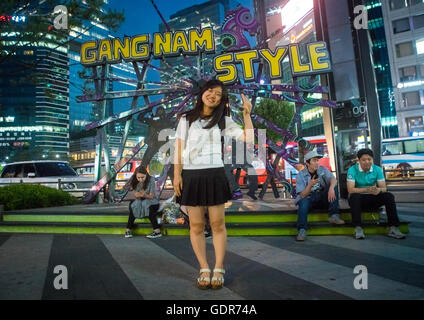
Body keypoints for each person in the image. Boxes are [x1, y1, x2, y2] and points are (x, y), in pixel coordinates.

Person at [174, 79, 253, 290]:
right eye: (210, 91)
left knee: (217, 225)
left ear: (221, 100)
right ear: (202, 93)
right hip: (191, 175)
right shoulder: (186, 119)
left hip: (214, 174)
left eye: (218, 94)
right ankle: (203, 267)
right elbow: (178, 148)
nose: (213, 96)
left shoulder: (223, 121)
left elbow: (248, 138)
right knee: (196, 225)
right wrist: (177, 176)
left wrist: (247, 115)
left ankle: (218, 267)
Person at [347, 148, 405, 240]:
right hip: (359, 200)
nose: (367, 162)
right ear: (358, 161)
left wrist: (379, 190)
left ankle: (393, 227)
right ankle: (358, 228)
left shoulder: (377, 169)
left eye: (369, 159)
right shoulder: (352, 170)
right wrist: (366, 189)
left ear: (372, 160)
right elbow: (350, 189)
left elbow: (384, 188)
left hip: (372, 198)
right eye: (364, 160)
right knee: (354, 196)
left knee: (389, 196)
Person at [295, 149, 344, 241]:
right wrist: (310, 185)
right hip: (309, 199)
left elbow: (333, 179)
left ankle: (333, 215)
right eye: (314, 160)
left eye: (317, 160)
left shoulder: (322, 169)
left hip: (322, 198)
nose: (317, 163)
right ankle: (302, 230)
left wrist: (331, 188)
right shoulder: (300, 175)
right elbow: (302, 195)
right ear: (307, 163)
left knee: (333, 187)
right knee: (303, 201)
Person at [125, 165, 161, 239]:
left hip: (152, 202)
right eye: (138, 177)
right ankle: (128, 230)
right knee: (133, 205)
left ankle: (157, 231)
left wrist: (144, 195)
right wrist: (138, 195)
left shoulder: (151, 179)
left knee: (148, 206)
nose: (140, 179)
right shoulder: (134, 181)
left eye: (142, 177)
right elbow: (136, 195)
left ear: (146, 175)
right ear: (136, 176)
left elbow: (151, 196)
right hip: (141, 201)